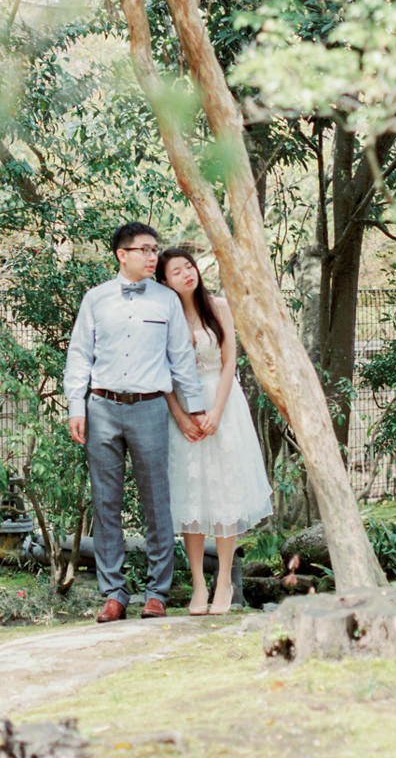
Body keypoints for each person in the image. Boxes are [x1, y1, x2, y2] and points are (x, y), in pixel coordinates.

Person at [64, 222, 206, 622]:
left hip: (149, 408)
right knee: (105, 502)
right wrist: (77, 405)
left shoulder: (167, 301)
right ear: (121, 255)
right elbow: (79, 355)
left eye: (155, 250)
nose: (152, 257)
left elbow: (181, 358)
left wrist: (194, 408)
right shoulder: (95, 300)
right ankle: (113, 594)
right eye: (144, 249)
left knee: (156, 502)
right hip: (101, 408)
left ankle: (156, 593)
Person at [161, 247, 272, 616]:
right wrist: (181, 416)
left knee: (225, 491)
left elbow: (229, 363)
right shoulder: (165, 316)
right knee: (191, 495)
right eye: (176, 271)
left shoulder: (219, 306)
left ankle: (224, 580)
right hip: (183, 410)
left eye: (189, 266)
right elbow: (163, 376)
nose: (186, 273)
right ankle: (197, 584)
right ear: (164, 281)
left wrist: (217, 412)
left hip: (223, 404)